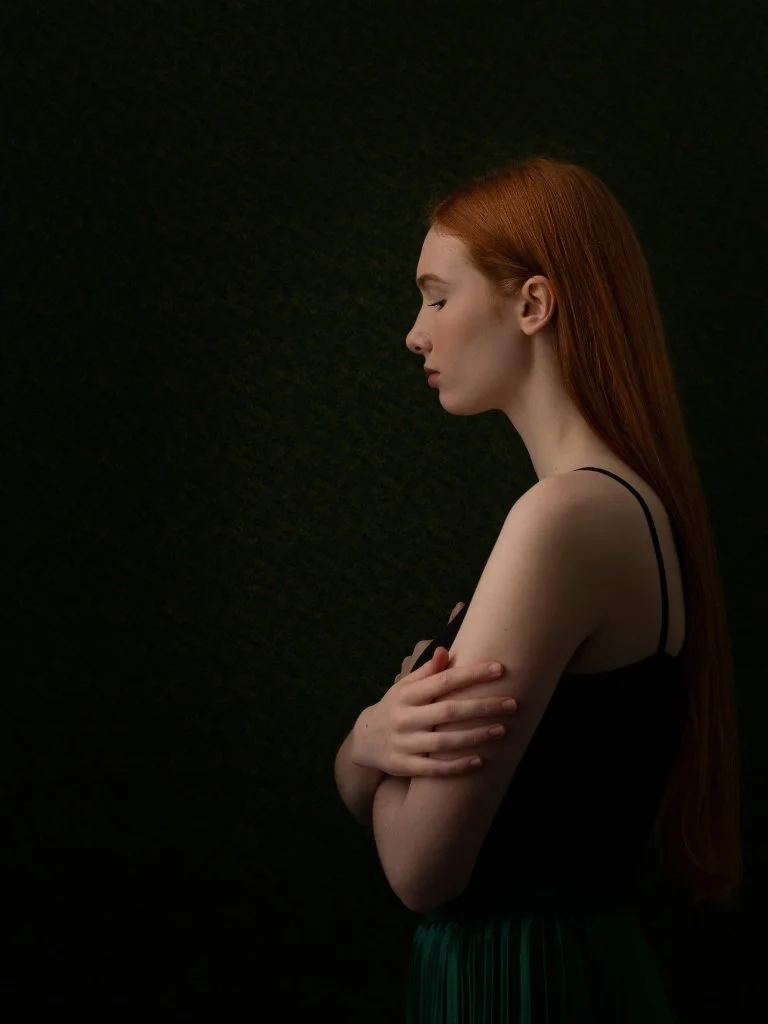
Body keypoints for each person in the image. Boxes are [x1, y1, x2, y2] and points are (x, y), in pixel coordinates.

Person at [338, 156, 741, 1022]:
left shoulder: (561, 520)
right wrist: (372, 747)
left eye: (437, 297)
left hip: (520, 988)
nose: (416, 333)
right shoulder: (626, 504)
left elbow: (420, 870)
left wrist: (364, 745)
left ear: (532, 304)